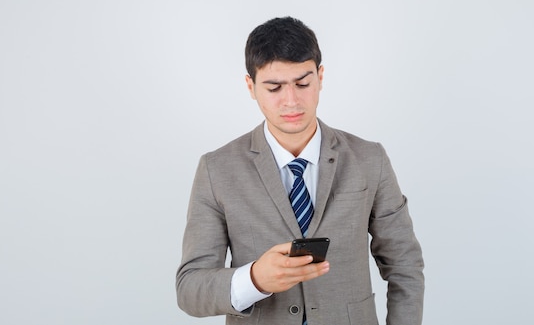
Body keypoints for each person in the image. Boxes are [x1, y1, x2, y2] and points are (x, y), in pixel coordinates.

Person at [176, 17, 424, 325]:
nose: (291, 101)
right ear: (250, 87)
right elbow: (189, 288)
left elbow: (405, 265)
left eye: (302, 83)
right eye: (274, 87)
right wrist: (254, 280)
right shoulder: (216, 169)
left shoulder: (370, 159)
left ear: (320, 77)